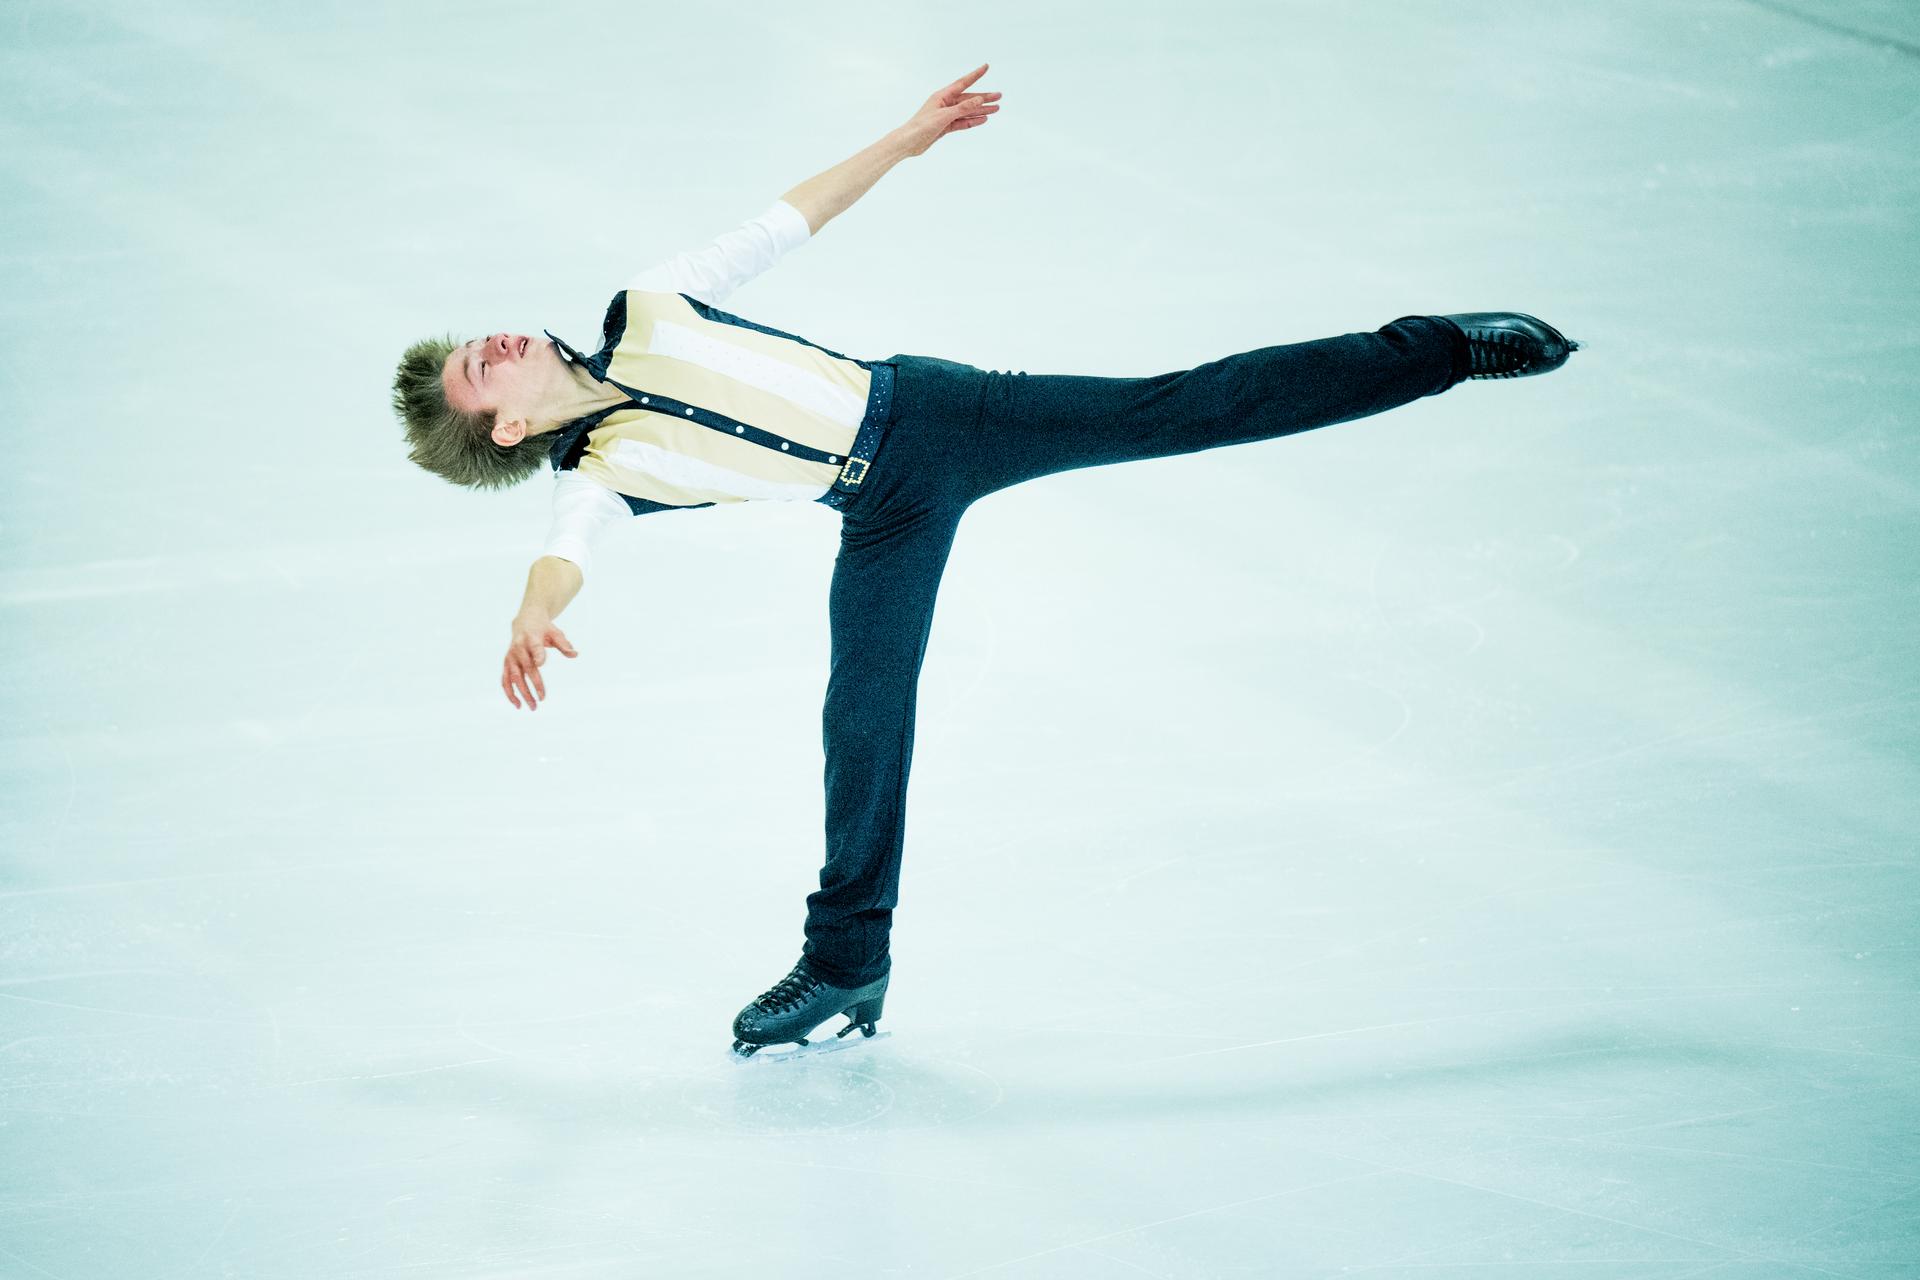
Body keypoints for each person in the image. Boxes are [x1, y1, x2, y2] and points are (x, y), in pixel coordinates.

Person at [390, 63, 1581, 1061]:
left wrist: (907, 137)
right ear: (504, 425)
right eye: (477, 372)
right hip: (883, 511)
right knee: (863, 713)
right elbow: (565, 555)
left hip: (945, 413)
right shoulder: (601, 472)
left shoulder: (652, 303)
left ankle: (1438, 350)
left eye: (476, 346)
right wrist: (530, 613)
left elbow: (784, 220)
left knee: (1181, 406)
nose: (492, 347)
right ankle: (847, 964)